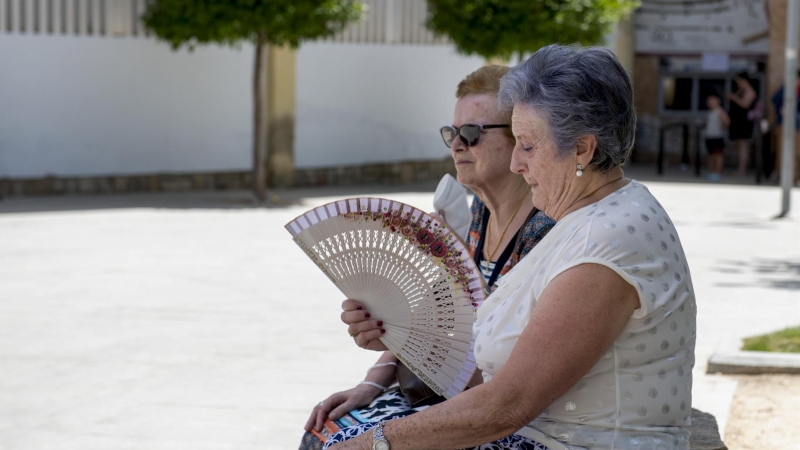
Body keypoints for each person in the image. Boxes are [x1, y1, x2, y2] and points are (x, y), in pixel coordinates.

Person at [330, 45, 697, 450]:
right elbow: (498, 381)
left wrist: (375, 442)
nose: (516, 165)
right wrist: (403, 337)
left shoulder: (606, 240)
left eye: (527, 145)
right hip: (532, 438)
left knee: (345, 439)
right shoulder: (589, 217)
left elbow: (506, 405)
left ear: (582, 149)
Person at [299, 65, 556, 449]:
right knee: (323, 431)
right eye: (451, 133)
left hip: (502, 411)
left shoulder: (543, 230)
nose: (457, 145)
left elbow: (509, 385)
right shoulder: (476, 218)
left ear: (519, 138)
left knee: (340, 443)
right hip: (449, 392)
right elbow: (430, 319)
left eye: (472, 133)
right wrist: (372, 378)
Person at [770, 73, 800, 185]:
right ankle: (785, 177)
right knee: (785, 151)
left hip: (795, 125)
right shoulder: (787, 88)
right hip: (785, 125)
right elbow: (774, 99)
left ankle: (793, 177)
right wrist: (781, 109)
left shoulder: (795, 89)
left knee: (794, 152)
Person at [726, 73, 757, 176]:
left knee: (743, 145)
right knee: (739, 145)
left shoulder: (750, 91)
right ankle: (740, 168)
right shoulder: (740, 90)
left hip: (744, 122)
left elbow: (745, 104)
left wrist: (734, 97)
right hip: (736, 121)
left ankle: (742, 169)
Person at [704, 94, 730, 182]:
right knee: (710, 155)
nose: (710, 103)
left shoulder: (720, 111)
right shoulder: (710, 112)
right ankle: (711, 171)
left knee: (718, 155)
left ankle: (717, 172)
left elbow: (727, 121)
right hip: (709, 137)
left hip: (717, 137)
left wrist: (722, 129)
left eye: (712, 101)